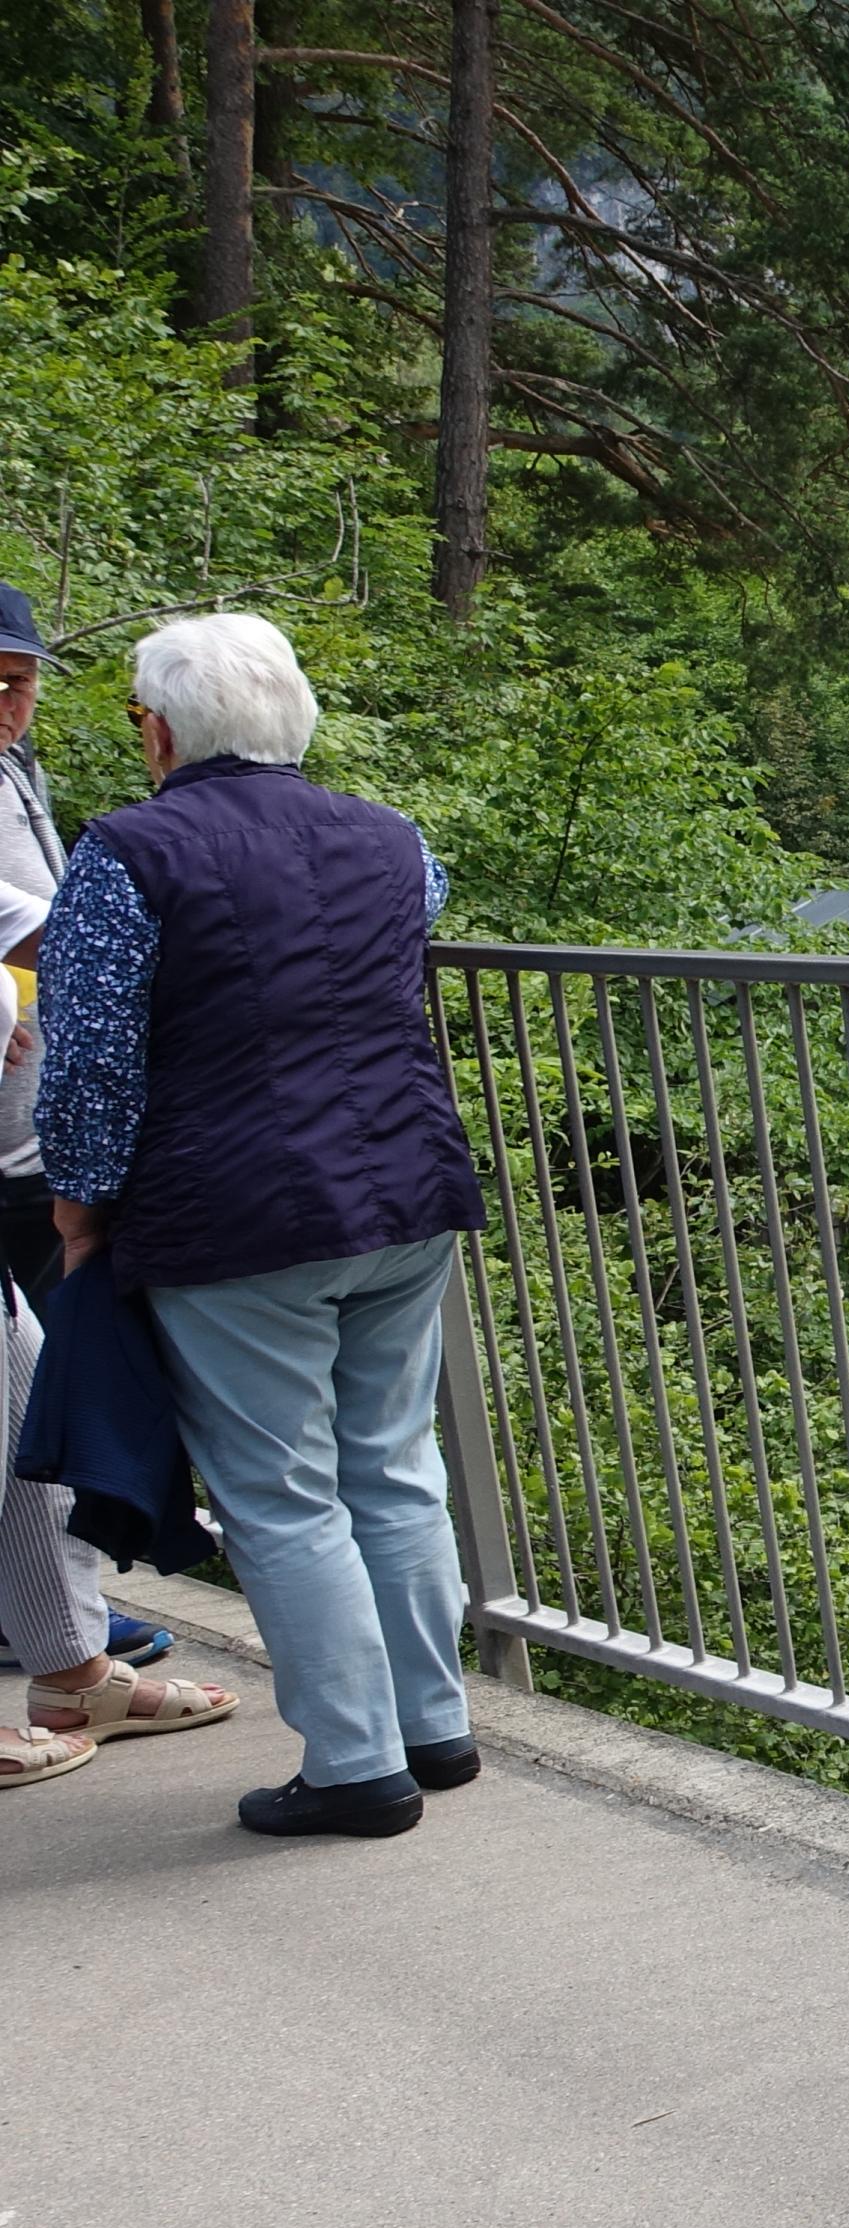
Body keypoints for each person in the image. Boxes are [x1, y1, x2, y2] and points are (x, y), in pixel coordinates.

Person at [39, 612, 479, 1839]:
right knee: (394, 1463)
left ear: (161, 732)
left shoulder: (128, 854)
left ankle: (356, 1769)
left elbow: (89, 1059)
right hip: (406, 1191)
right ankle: (433, 1729)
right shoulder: (395, 838)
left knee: (284, 1496)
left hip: (237, 1216)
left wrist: (81, 1206)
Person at [0, 582, 185, 1680]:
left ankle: (54, 1617)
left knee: (39, 1384)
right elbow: (30, 923)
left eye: (19, 682)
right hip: (15, 1141)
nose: (7, 703)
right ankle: (53, 1629)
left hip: (30, 1137)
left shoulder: (18, 769)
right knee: (32, 1386)